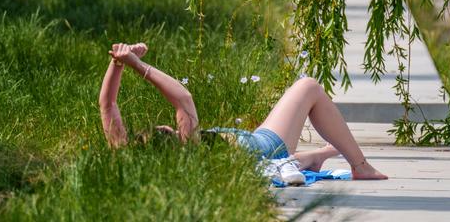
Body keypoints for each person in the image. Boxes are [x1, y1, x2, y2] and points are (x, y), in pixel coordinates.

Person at [99, 42, 388, 180]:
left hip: (251, 150)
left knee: (291, 148)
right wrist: (138, 65)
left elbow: (108, 105)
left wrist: (118, 61)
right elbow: (183, 99)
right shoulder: (187, 147)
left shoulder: (125, 155)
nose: (164, 127)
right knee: (308, 87)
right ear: (172, 142)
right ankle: (359, 166)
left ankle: (318, 156)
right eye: (166, 131)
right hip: (265, 147)